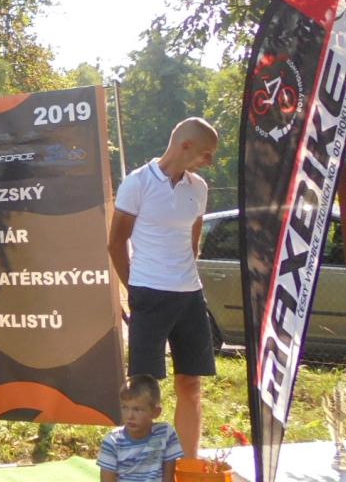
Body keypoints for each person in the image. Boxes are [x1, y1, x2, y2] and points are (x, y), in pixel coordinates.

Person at [107, 117, 218, 459]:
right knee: (143, 390)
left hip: (190, 296)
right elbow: (116, 243)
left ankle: (186, 464)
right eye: (206, 153)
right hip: (149, 294)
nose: (210, 161)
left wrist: (182, 277)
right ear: (185, 145)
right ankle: (141, 467)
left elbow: (193, 243)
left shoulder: (199, 188)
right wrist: (134, 289)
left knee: (191, 383)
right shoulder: (137, 183)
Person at [97, 374, 183, 482]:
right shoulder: (112, 442)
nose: (130, 416)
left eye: (137, 409)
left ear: (155, 412)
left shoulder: (165, 434)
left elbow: (169, 477)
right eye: (125, 407)